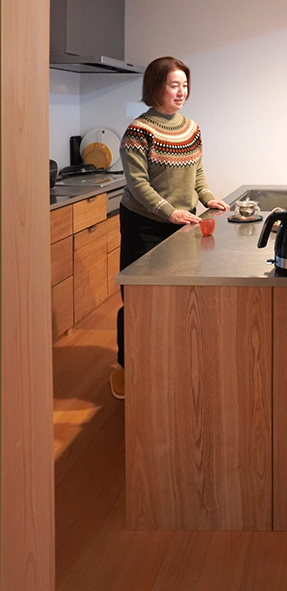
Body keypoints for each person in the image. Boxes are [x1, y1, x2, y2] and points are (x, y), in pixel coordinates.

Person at [110, 56, 229, 399]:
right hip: (145, 224)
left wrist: (208, 197)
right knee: (137, 296)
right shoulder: (138, 131)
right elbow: (137, 184)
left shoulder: (191, 129)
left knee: (175, 295)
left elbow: (197, 173)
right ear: (155, 87)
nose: (181, 92)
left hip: (182, 223)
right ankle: (127, 367)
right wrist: (168, 212)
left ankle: (163, 359)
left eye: (185, 85)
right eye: (174, 85)